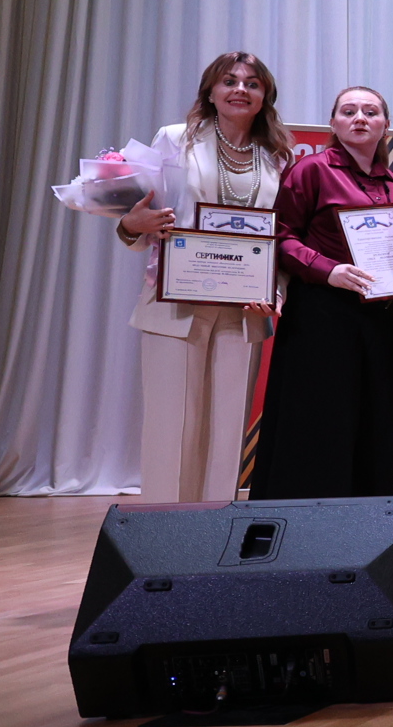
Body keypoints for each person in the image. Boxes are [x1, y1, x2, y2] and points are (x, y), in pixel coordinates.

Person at [114, 52, 290, 503]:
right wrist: (133, 225)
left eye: (252, 83)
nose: (240, 90)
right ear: (210, 91)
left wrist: (274, 291)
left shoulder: (277, 157)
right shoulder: (175, 139)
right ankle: (162, 531)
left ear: (264, 96)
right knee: (171, 425)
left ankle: (214, 529)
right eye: (229, 81)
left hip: (244, 308)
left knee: (227, 430)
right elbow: (138, 218)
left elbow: (280, 236)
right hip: (175, 301)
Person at [256, 87, 393, 498]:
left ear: (385, 125)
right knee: (319, 423)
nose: (360, 118)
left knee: (375, 422)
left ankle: (366, 524)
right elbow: (280, 237)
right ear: (333, 123)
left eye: (370, 112)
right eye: (349, 111)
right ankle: (307, 523)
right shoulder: (311, 170)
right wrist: (328, 269)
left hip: (381, 322)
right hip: (322, 317)